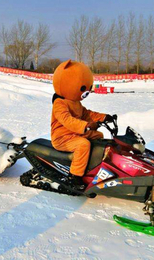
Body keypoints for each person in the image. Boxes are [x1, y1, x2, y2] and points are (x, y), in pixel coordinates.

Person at [51, 60, 114, 190]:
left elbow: (87, 114)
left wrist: (104, 117)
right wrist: (86, 126)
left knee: (99, 135)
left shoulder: (76, 103)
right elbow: (66, 120)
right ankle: (74, 177)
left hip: (75, 133)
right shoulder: (60, 103)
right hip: (62, 137)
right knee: (83, 144)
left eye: (88, 88)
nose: (86, 92)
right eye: (82, 89)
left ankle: (94, 165)